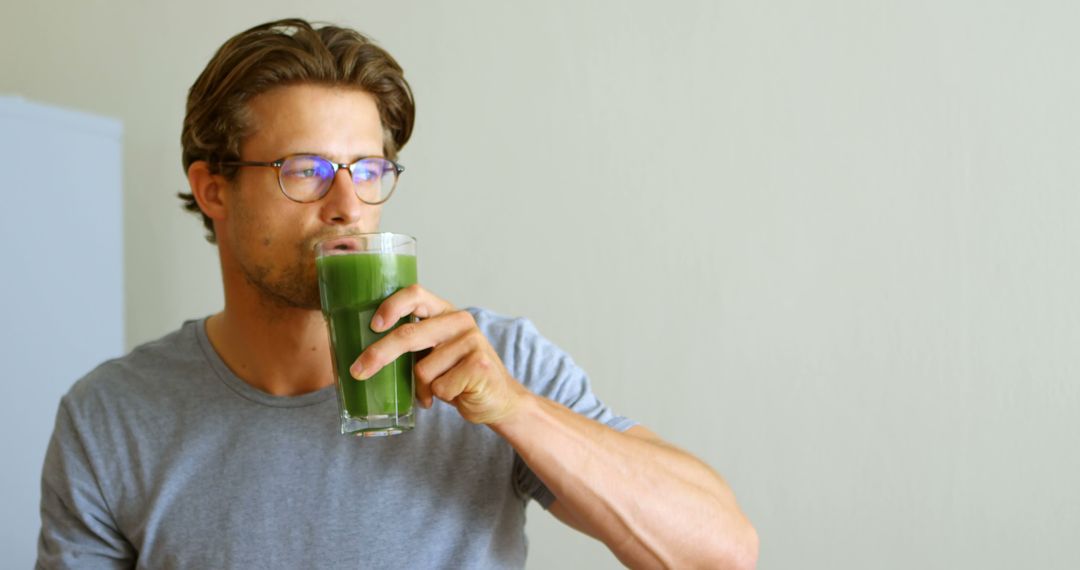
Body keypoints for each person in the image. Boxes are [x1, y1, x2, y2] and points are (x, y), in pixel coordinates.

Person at [37, 18, 758, 570]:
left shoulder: (487, 363)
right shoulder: (112, 417)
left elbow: (721, 551)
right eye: (307, 170)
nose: (348, 204)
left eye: (370, 169)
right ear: (213, 188)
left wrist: (515, 410)